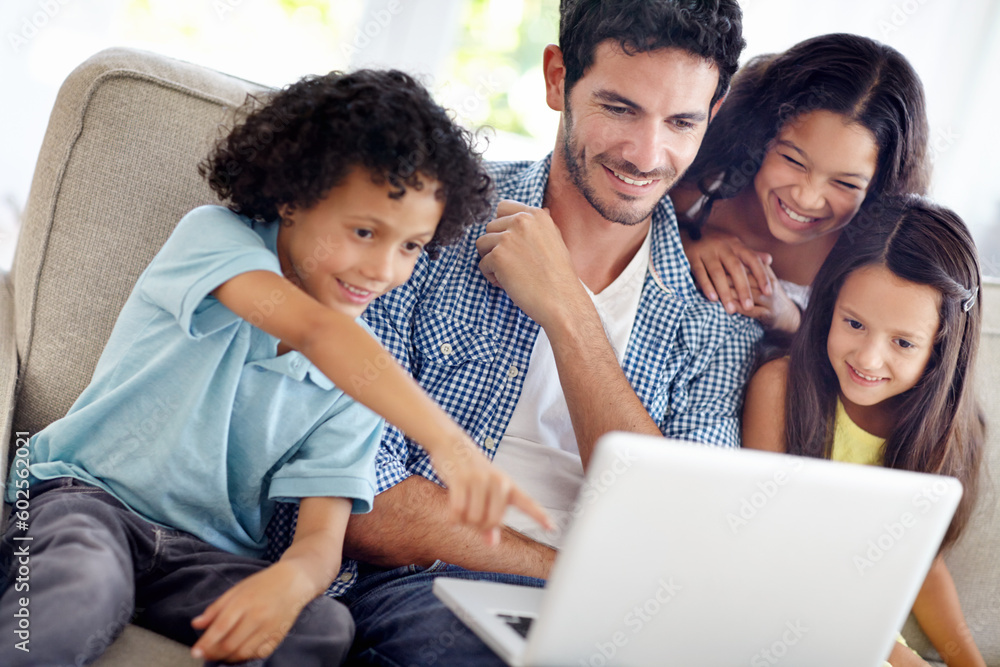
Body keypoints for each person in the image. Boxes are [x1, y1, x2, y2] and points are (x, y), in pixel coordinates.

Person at [0, 69, 551, 666]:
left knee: (321, 628)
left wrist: (291, 582)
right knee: (80, 585)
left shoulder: (361, 386)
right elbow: (316, 332)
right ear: (292, 198)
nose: (383, 269)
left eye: (411, 246)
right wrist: (448, 444)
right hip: (84, 500)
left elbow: (320, 540)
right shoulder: (215, 242)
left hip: (206, 558)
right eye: (364, 231)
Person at [264, 1, 759, 664]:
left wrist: (568, 312)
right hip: (422, 589)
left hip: (624, 620)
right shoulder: (421, 226)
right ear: (557, 79)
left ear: (714, 114)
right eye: (619, 108)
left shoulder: (715, 312)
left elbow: (678, 538)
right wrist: (569, 572)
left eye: (680, 121)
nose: (647, 154)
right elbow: (353, 491)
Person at [742, 196, 987, 667]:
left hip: (869, 639)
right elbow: (773, 553)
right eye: (854, 323)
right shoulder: (781, 389)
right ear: (828, 305)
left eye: (902, 342)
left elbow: (922, 565)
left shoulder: (945, 430)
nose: (868, 359)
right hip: (787, 622)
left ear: (940, 348)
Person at [670, 33, 930, 338]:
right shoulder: (703, 180)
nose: (807, 199)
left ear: (878, 189)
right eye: (794, 161)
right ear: (760, 136)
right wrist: (684, 243)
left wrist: (790, 319)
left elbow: (861, 352)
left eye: (845, 183)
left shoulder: (866, 253)